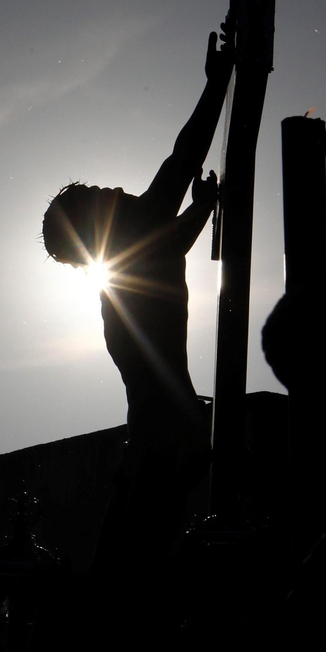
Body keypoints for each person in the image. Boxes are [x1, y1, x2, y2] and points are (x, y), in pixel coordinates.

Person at [42, 31, 234, 574]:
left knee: (126, 573)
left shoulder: (135, 240)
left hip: (158, 442)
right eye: (102, 197)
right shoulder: (126, 269)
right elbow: (172, 238)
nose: (115, 191)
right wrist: (201, 209)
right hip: (158, 444)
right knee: (129, 579)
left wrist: (217, 82)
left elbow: (184, 155)